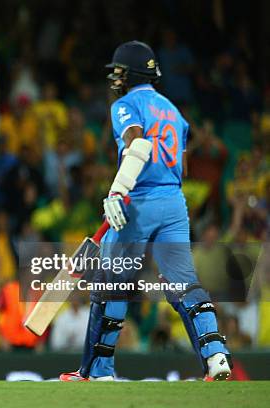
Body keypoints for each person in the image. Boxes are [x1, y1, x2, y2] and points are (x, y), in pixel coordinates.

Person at [60, 41, 231, 382]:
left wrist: (118, 191)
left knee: (112, 284)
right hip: (174, 202)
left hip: (138, 200)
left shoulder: (126, 104)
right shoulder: (174, 112)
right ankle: (216, 357)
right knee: (183, 283)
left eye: (120, 71)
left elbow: (138, 144)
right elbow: (180, 166)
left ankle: (98, 371)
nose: (116, 77)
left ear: (133, 72)